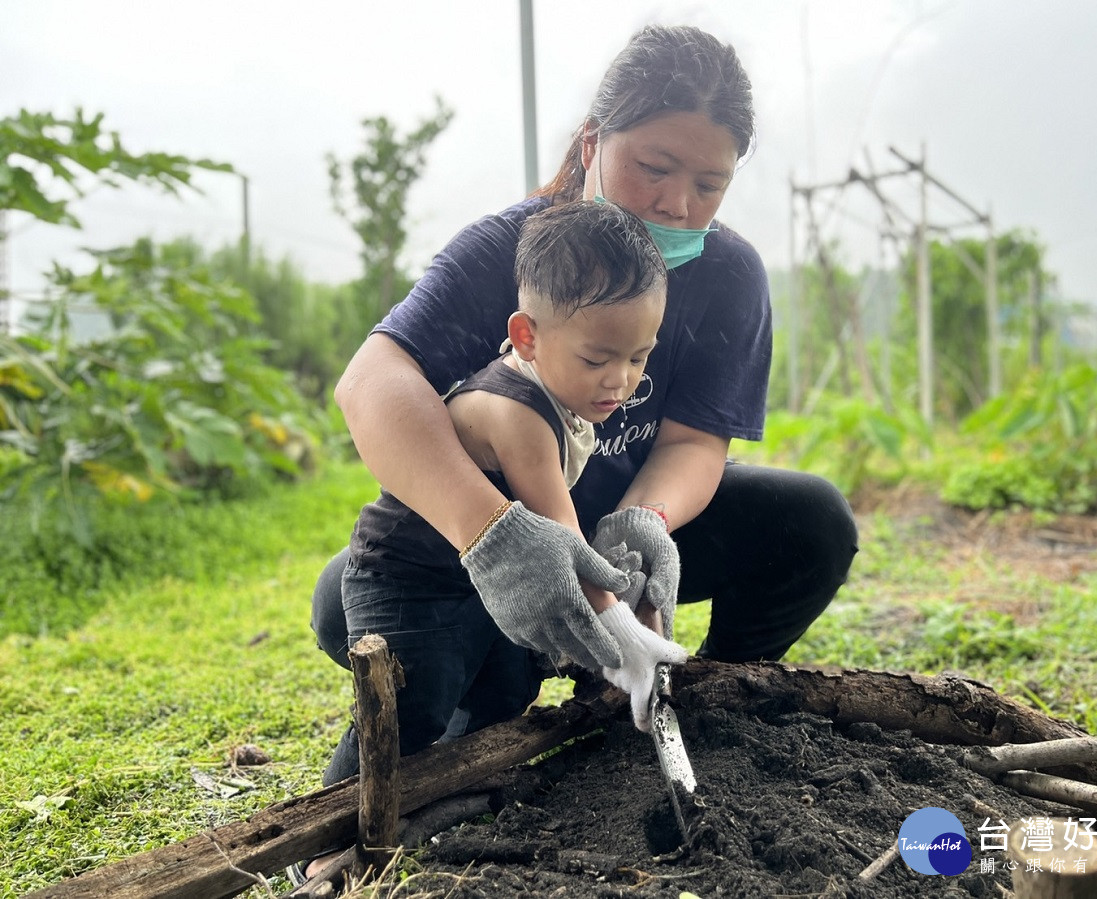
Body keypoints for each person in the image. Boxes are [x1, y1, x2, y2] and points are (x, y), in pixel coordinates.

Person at [301, 22, 858, 876]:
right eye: (654, 167)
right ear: (595, 142)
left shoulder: (729, 275)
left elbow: (696, 440)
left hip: (610, 541)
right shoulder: (521, 250)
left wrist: (644, 519)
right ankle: (446, 754)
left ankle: (696, 693)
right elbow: (372, 384)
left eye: (708, 182)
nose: (677, 203)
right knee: (357, 607)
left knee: (811, 522)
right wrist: (493, 534)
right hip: (496, 534)